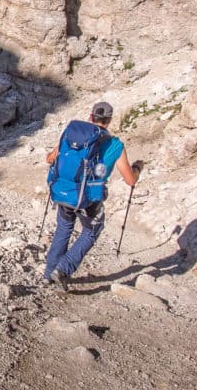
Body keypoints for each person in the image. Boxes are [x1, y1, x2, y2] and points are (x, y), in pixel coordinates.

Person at [42, 101, 143, 291]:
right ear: (110, 120)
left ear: (91, 117)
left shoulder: (73, 136)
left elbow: (50, 159)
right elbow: (130, 180)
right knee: (92, 230)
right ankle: (63, 269)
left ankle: (48, 274)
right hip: (89, 198)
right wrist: (138, 168)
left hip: (64, 191)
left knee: (63, 228)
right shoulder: (115, 145)